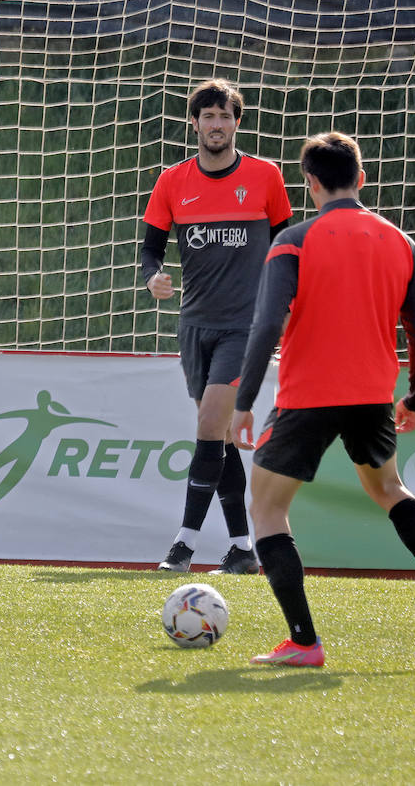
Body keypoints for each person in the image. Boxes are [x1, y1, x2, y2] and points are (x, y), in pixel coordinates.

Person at [230, 132, 415, 666]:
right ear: (361, 180)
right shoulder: (401, 243)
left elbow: (266, 325)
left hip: (309, 397)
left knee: (267, 508)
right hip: (373, 395)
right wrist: (414, 396)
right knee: (391, 488)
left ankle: (304, 641)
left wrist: (244, 400)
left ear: (311, 184)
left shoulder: (293, 241)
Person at [140, 78, 292, 575]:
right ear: (195, 123)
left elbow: (286, 249)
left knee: (208, 426)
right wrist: (153, 278)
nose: (216, 125)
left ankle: (182, 546)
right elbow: (149, 250)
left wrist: (286, 307)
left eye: (225, 116)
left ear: (236, 123)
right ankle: (244, 549)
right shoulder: (172, 181)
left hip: (244, 329)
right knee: (220, 436)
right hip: (194, 325)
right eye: (208, 116)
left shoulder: (266, 177)